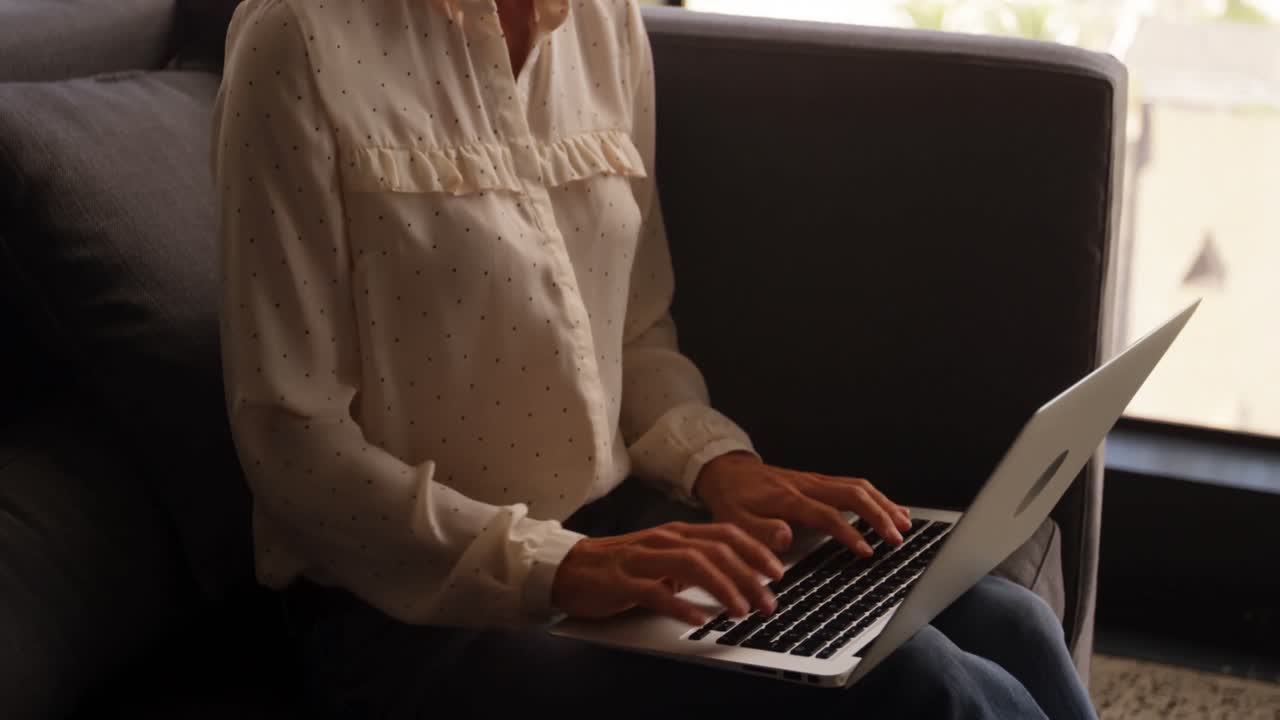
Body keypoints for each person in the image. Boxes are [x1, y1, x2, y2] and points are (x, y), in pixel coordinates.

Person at [211, 0, 1098, 717]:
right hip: (412, 615)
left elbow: (634, 334)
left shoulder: (604, 22)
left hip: (613, 526)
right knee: (923, 691)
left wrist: (721, 466)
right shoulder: (298, 38)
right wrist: (553, 567)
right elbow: (291, 444)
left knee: (1006, 619)